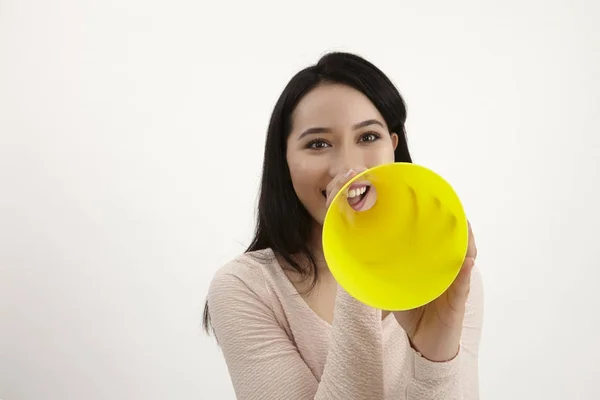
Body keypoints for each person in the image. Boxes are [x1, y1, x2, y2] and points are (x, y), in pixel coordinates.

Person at [202, 52, 483, 399]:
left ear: (393, 147)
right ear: (284, 159)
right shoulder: (244, 288)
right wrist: (356, 260)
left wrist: (435, 358)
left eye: (368, 137)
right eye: (318, 143)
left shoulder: (447, 272)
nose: (350, 166)